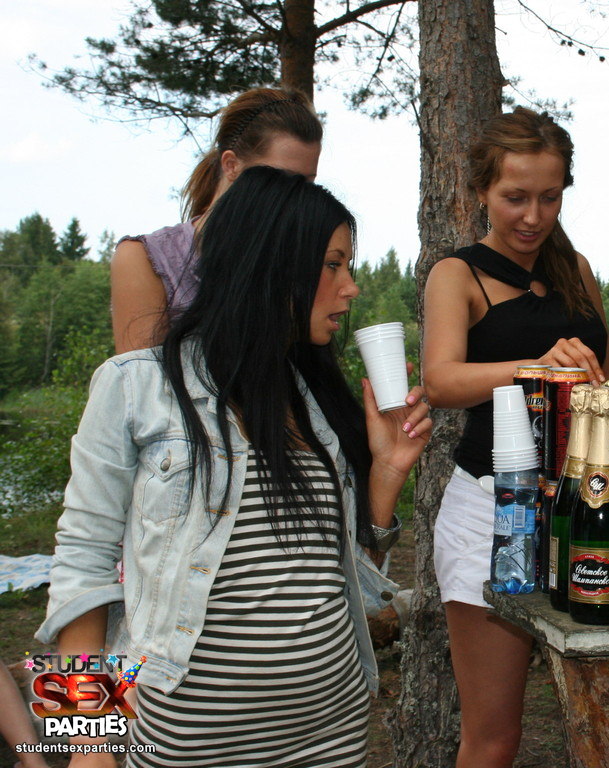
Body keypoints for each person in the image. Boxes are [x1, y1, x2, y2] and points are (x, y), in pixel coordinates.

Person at [36, 166, 431, 767]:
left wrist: (385, 473)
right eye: (333, 265)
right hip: (188, 746)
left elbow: (344, 577)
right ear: (270, 262)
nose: (350, 287)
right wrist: (85, 745)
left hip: (331, 735)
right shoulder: (135, 386)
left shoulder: (317, 400)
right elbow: (80, 566)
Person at [423, 106, 609, 767]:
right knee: (495, 734)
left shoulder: (575, 268)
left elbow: (607, 373)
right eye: (515, 198)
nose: (533, 215)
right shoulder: (459, 275)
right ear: (481, 190)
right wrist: (535, 367)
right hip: (489, 511)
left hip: (582, 508)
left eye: (549, 197)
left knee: (607, 716)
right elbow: (442, 381)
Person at [111, 87, 323, 353]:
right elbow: (138, 386)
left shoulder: (295, 258)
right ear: (231, 165)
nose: (295, 197)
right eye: (280, 180)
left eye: (307, 184)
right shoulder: (147, 258)